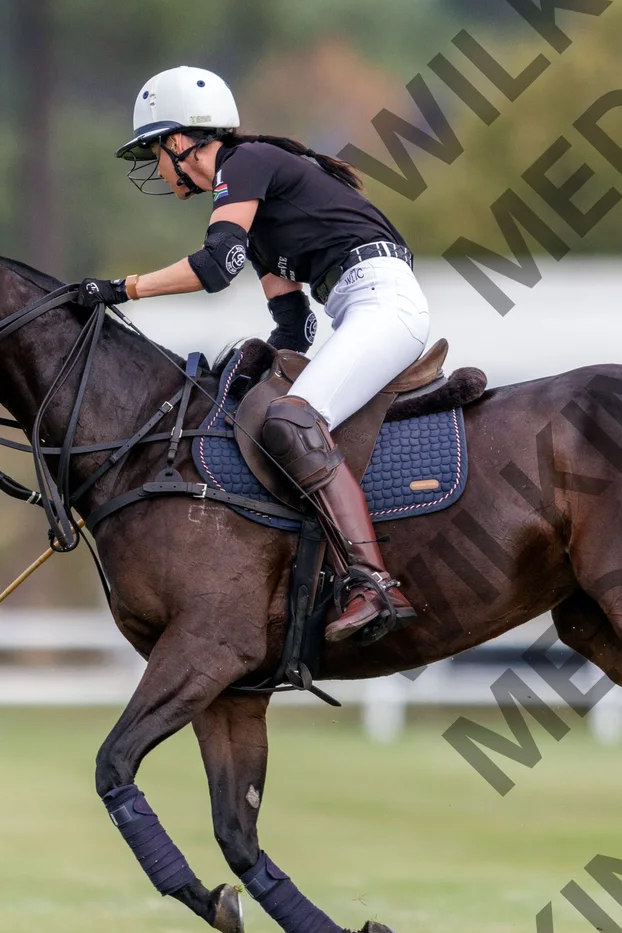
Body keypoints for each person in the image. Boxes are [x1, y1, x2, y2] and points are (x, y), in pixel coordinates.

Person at [78, 65, 427, 644]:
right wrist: (243, 377)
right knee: (269, 415)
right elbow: (294, 323)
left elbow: (216, 267)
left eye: (153, 151)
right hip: (359, 304)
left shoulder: (245, 163)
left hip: (384, 300)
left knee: (292, 422)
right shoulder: (257, 211)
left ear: (180, 141)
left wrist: (122, 288)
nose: (156, 167)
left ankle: (373, 583)